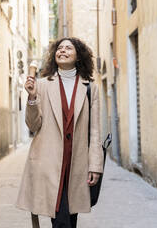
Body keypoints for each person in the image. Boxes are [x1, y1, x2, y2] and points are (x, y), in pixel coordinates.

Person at [16, 37, 103, 228]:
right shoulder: (42, 84)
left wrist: (95, 165)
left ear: (78, 56)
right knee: (62, 219)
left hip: (77, 163)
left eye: (68, 48)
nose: (62, 51)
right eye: (59, 48)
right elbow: (33, 125)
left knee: (71, 216)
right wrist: (31, 97)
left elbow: (95, 130)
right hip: (48, 161)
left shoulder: (90, 88)